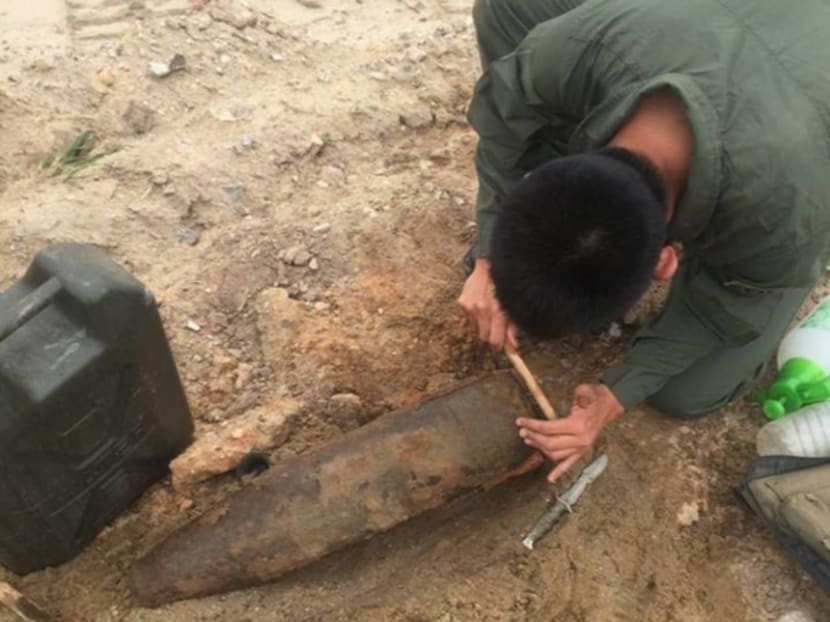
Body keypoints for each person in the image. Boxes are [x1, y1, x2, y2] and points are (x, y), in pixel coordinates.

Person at [458, 0, 830, 483]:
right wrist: (491, 256)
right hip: (710, 26)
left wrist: (613, 397)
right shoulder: (574, 48)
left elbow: (728, 307)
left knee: (686, 393)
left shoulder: (783, 212)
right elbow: (504, 123)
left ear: (666, 262)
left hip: (805, 114)